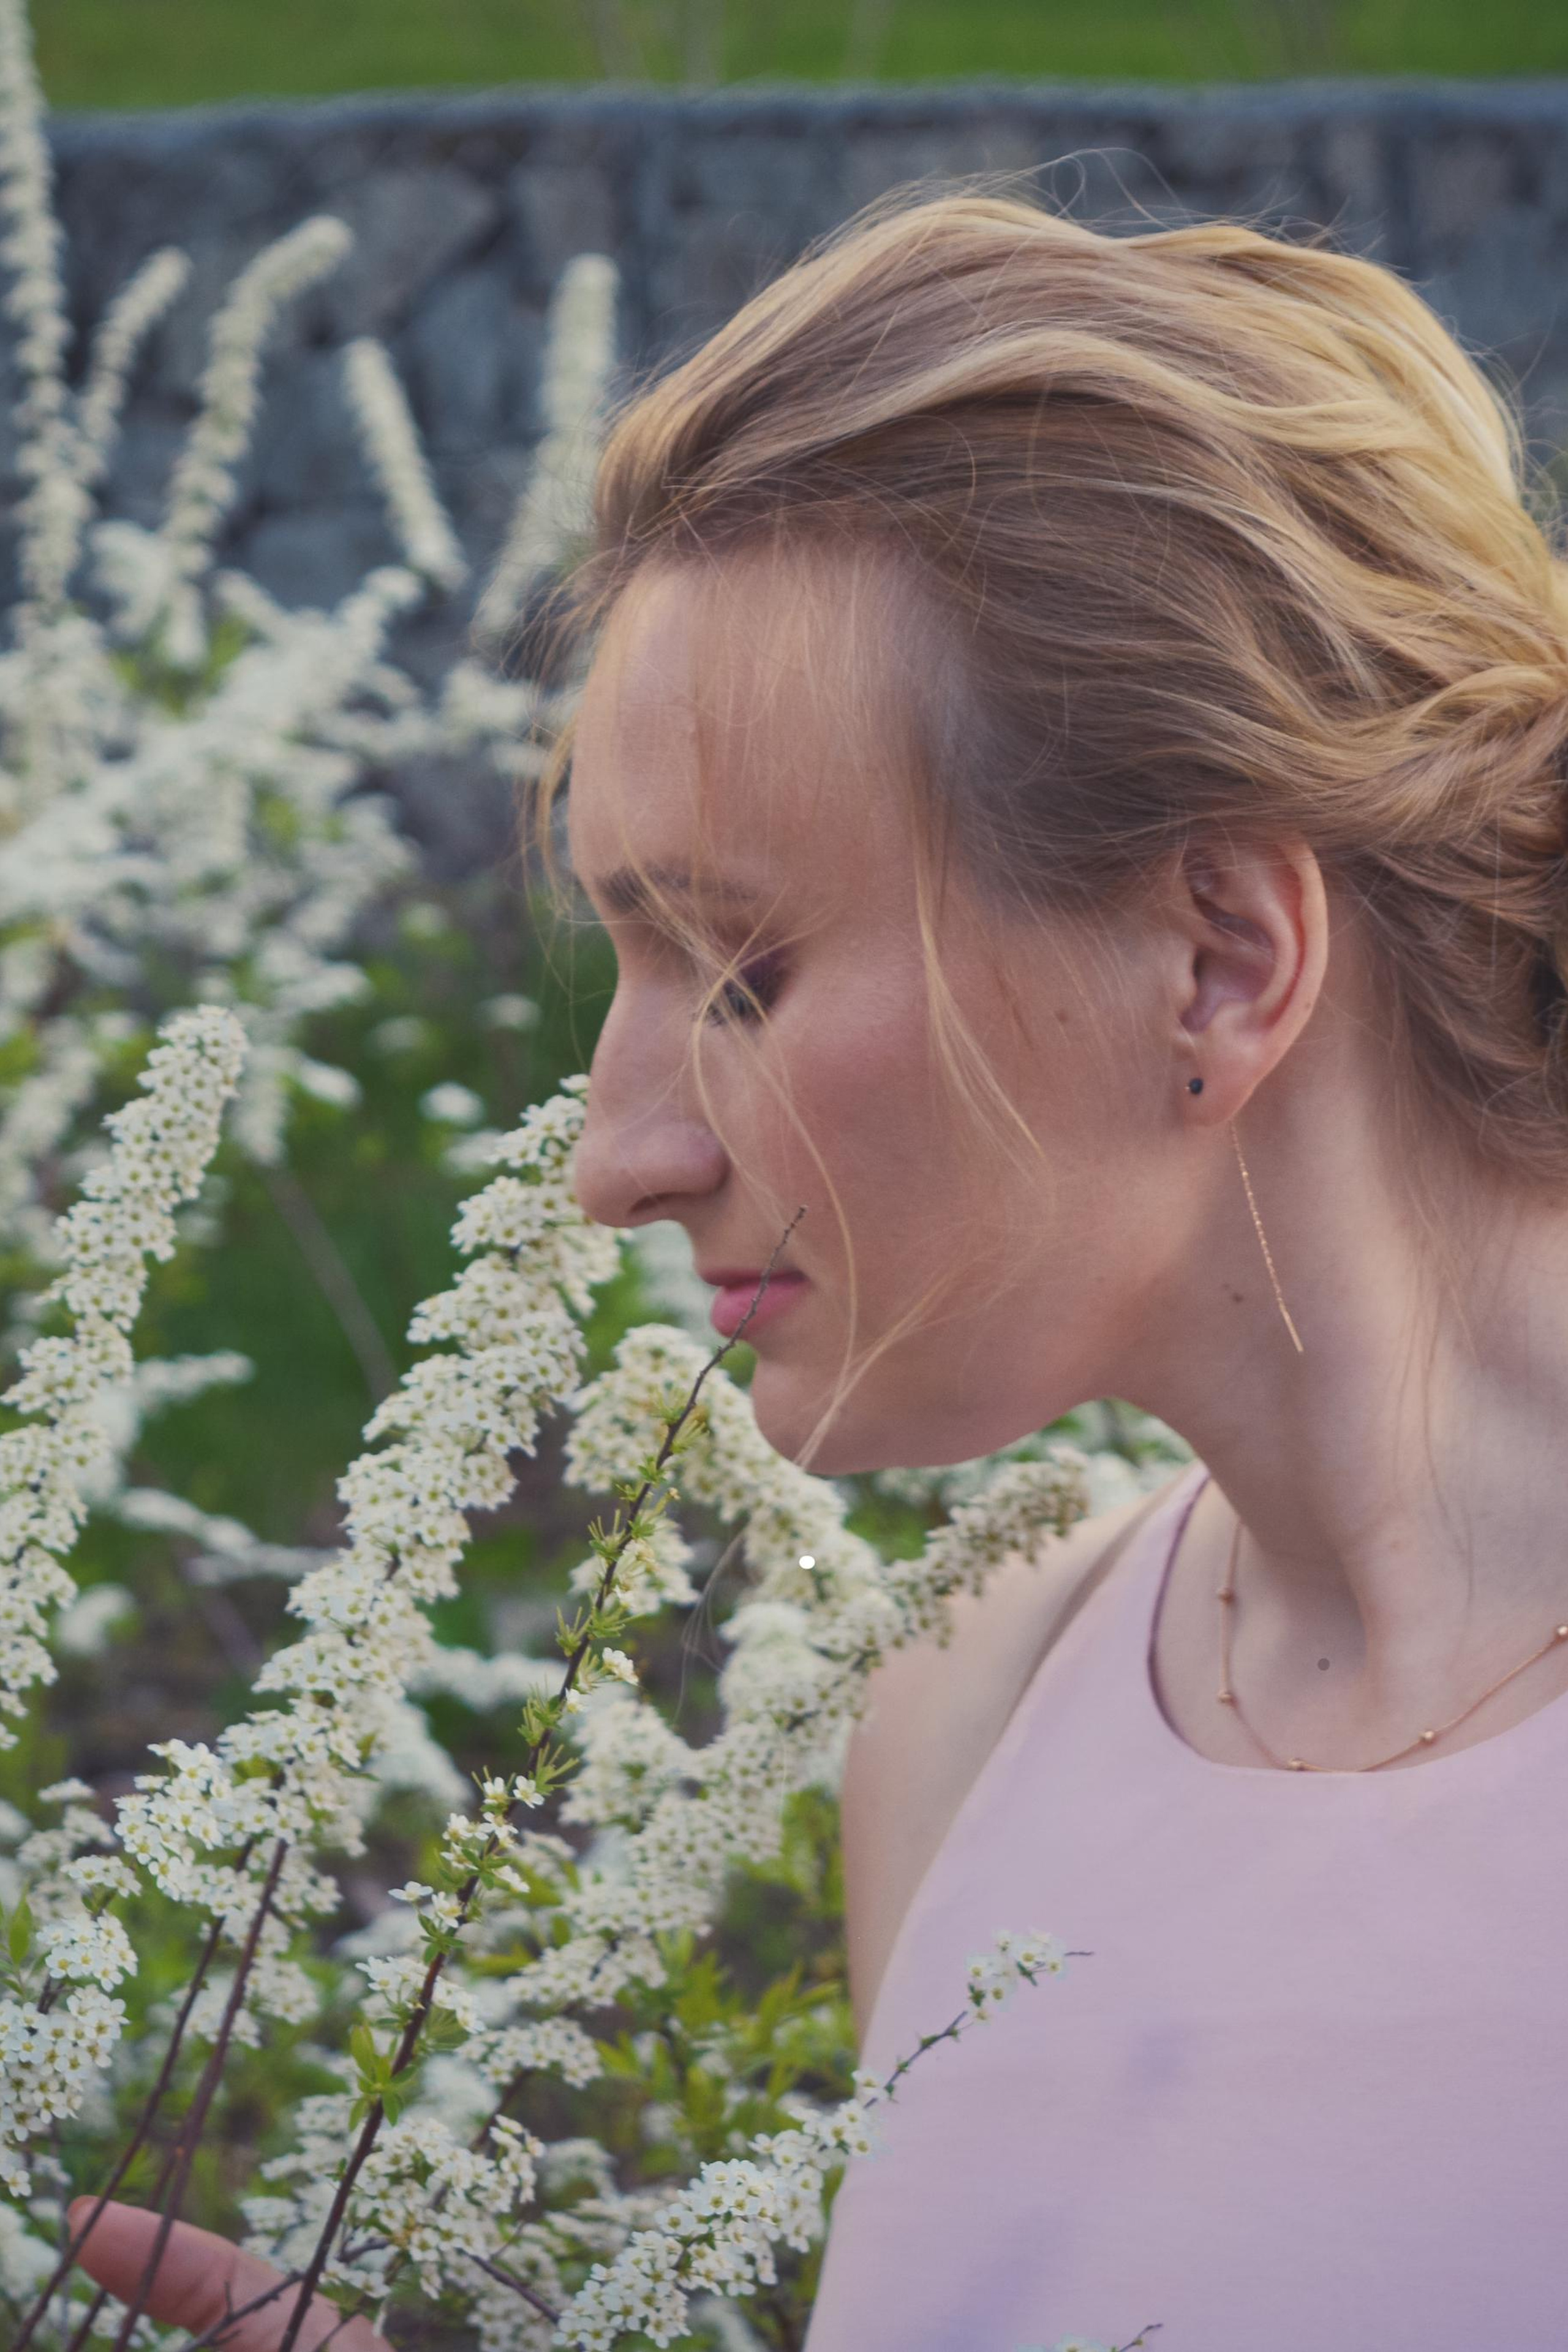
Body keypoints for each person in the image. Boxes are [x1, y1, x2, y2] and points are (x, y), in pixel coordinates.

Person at [75, 183, 1568, 2350]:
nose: (614, 1161)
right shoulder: (981, 1709)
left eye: (746, 967)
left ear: (1221, 955)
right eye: (623, 961)